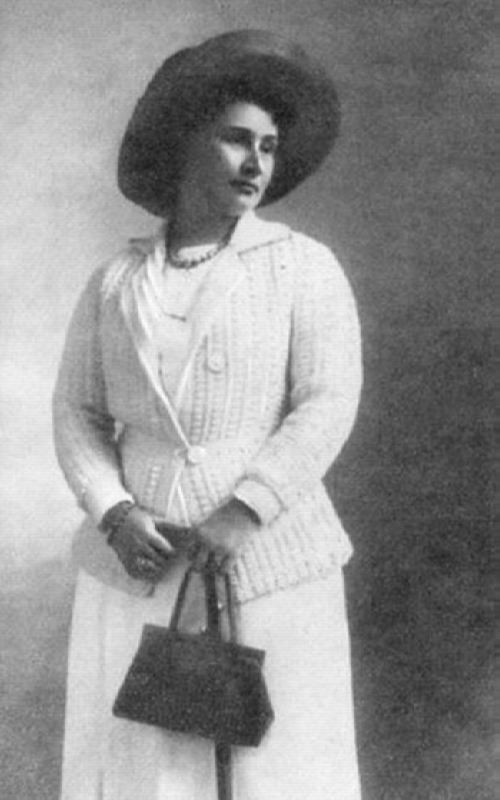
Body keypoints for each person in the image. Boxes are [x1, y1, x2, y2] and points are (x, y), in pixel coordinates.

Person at [53, 29, 363, 800]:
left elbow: (328, 400)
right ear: (186, 142)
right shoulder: (114, 282)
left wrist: (246, 508)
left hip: (268, 564)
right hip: (140, 566)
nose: (257, 162)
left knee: (274, 773)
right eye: (236, 139)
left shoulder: (302, 267)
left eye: (269, 146)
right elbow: (77, 409)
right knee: (142, 771)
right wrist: (114, 512)